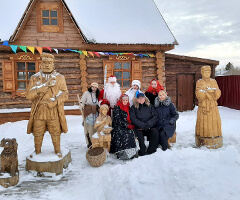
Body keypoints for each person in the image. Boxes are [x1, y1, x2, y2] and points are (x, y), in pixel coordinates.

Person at [26, 53, 68, 158]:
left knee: (55, 131)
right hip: (39, 110)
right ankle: (37, 151)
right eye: (44, 62)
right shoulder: (34, 78)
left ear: (53, 64)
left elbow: (65, 94)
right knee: (38, 131)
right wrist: (39, 89)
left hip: (53, 110)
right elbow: (29, 95)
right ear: (41, 64)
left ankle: (57, 150)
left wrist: (55, 101)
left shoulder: (59, 78)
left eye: (49, 63)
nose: (47, 65)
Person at [195, 66, 222, 138]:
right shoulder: (199, 82)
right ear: (202, 73)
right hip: (203, 106)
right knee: (203, 122)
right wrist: (206, 93)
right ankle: (202, 136)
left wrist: (213, 92)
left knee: (213, 121)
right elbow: (198, 93)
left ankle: (215, 135)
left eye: (208, 72)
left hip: (212, 106)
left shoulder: (213, 81)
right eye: (205, 72)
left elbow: (218, 91)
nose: (207, 74)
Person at [110, 94, 137, 160]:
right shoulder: (117, 108)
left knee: (131, 133)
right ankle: (122, 153)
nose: (125, 101)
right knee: (123, 134)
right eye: (124, 100)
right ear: (121, 100)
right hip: (118, 126)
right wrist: (127, 125)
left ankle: (131, 153)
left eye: (126, 100)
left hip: (127, 125)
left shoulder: (129, 107)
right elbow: (117, 120)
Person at [79, 82, 99, 148]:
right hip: (88, 112)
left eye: (95, 88)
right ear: (91, 87)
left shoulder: (98, 94)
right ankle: (89, 142)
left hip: (96, 112)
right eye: (93, 87)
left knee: (95, 127)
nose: (94, 89)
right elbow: (82, 101)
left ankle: (95, 142)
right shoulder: (86, 93)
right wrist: (81, 106)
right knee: (89, 128)